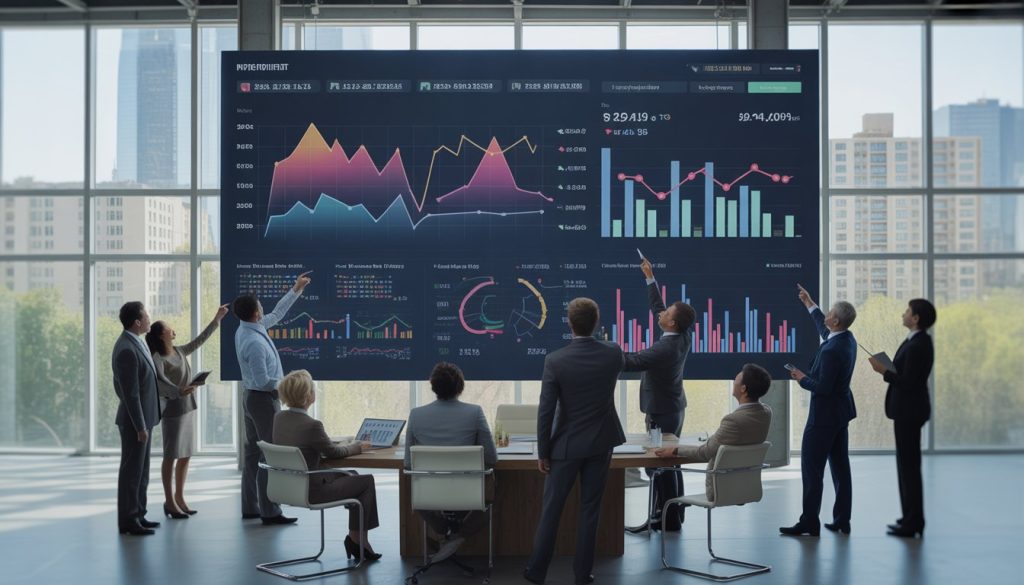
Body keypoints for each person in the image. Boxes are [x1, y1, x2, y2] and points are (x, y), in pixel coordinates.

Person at [524, 298, 625, 585]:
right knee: (590, 511)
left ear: (569, 323)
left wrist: (543, 452)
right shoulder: (613, 353)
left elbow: (546, 412)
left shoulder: (555, 361)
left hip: (565, 447)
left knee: (551, 511)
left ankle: (536, 571)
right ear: (596, 322)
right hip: (600, 444)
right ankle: (583, 574)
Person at [273, 370, 382, 561]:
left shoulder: (278, 418)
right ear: (309, 396)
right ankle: (358, 539)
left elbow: (310, 446)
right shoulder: (312, 425)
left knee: (353, 475)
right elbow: (335, 453)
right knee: (366, 482)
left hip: (287, 487)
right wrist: (359, 447)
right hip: (312, 490)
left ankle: (356, 538)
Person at [623, 257, 696, 533]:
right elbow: (659, 307)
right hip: (674, 406)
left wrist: (599, 355)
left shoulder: (664, 349)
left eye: (667, 314)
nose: (661, 314)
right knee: (670, 460)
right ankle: (671, 512)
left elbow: (632, 361)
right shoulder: (682, 335)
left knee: (660, 463)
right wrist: (650, 277)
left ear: (673, 323)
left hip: (661, 412)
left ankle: (665, 518)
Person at [235, 271, 312, 525]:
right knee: (269, 455)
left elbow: (277, 314)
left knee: (251, 454)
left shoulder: (248, 328)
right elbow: (262, 380)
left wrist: (296, 289)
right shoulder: (254, 343)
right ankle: (269, 511)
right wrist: (287, 385)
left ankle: (251, 507)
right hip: (262, 400)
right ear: (256, 313)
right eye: (260, 307)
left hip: (252, 399)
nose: (263, 309)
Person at [780, 285, 858, 537]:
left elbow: (822, 388)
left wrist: (802, 378)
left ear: (835, 320)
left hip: (823, 417)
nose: (826, 315)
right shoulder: (847, 339)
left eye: (829, 313)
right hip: (840, 414)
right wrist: (809, 303)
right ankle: (842, 520)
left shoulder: (833, 350)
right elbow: (825, 331)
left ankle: (809, 522)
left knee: (812, 470)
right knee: (840, 469)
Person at [405, 362, 498, 564]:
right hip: (470, 494)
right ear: (460, 387)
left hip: (427, 497)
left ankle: (444, 530)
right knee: (491, 495)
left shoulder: (416, 414)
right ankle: (458, 535)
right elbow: (491, 458)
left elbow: (408, 464)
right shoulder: (474, 413)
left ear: (433, 387)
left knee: (412, 486)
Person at [146, 304, 229, 519]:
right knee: (171, 455)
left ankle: (180, 498)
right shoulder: (157, 358)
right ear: (162, 334)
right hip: (173, 410)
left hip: (188, 407)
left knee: (185, 455)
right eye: (169, 328)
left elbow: (200, 340)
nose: (173, 330)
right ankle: (169, 501)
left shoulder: (179, 351)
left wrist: (216, 319)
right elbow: (159, 384)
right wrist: (179, 390)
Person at [868, 299, 936, 539]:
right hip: (906, 411)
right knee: (905, 466)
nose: (903, 314)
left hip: (910, 411)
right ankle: (909, 517)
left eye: (907, 312)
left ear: (916, 318)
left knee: (909, 468)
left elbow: (909, 382)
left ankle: (913, 521)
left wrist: (883, 371)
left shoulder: (919, 344)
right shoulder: (915, 341)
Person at [655, 364, 773, 500]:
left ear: (743, 389)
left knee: (660, 473)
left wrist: (675, 450)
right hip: (745, 486)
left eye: (736, 379)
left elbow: (705, 453)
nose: (733, 381)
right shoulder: (766, 412)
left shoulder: (733, 420)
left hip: (721, 487)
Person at [112, 301, 161, 536]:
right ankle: (129, 520)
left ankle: (139, 514)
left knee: (141, 471)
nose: (150, 319)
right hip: (135, 422)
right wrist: (140, 425)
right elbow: (130, 394)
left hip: (144, 419)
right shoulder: (126, 349)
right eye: (146, 315)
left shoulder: (135, 343)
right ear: (137, 322)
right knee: (132, 471)